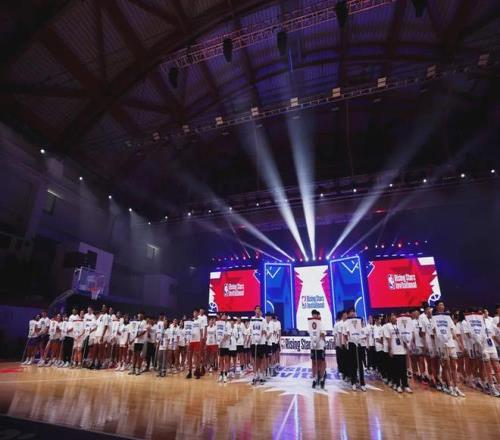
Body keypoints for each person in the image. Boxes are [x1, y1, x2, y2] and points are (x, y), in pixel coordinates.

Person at [432, 300, 465, 396]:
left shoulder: (448, 317)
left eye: (443, 305)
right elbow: (434, 332)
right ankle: (449, 386)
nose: (442, 306)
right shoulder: (434, 318)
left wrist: (459, 343)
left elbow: (452, 331)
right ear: (437, 307)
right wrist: (440, 343)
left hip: (451, 343)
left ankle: (456, 387)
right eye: (440, 305)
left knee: (454, 366)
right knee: (446, 366)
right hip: (442, 344)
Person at [385, 313, 412, 393]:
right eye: (392, 317)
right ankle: (397, 385)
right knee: (396, 369)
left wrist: (407, 347)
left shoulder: (400, 325)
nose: (394, 318)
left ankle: (405, 385)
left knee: (403, 369)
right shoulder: (388, 326)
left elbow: (405, 336)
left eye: (395, 317)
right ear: (390, 318)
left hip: (402, 349)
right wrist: (390, 349)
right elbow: (388, 339)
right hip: (395, 350)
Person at [344, 312, 366, 391]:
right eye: (351, 313)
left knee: (360, 364)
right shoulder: (347, 323)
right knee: (352, 364)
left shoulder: (359, 322)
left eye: (354, 313)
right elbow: (345, 334)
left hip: (359, 344)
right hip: (351, 344)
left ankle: (362, 383)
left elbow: (363, 335)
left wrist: (359, 338)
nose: (353, 315)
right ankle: (353, 382)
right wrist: (350, 339)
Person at [308, 309, 326, 389]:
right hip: (313, 346)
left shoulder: (321, 324)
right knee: (314, 362)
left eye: (315, 315)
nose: (314, 316)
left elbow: (323, 334)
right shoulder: (310, 324)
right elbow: (310, 333)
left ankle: (321, 379)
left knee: (320, 363)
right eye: (313, 315)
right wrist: (314, 341)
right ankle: (314, 379)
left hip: (320, 346)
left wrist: (318, 340)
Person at [250, 305, 267, 385]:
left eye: (259, 309)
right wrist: (254, 337)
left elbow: (264, 330)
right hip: (254, 342)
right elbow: (250, 329)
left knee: (261, 359)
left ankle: (261, 376)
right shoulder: (252, 319)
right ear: (254, 310)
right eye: (256, 309)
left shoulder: (263, 320)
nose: (258, 310)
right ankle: (255, 375)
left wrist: (259, 336)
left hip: (261, 342)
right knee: (255, 359)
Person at [129, 312, 147, 376]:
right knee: (134, 355)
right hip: (136, 341)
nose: (139, 316)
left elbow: (144, 331)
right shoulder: (136, 322)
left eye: (140, 315)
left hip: (141, 341)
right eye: (138, 316)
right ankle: (133, 369)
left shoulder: (144, 322)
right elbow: (133, 331)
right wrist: (132, 338)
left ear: (142, 316)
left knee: (139, 355)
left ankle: (138, 369)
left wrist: (138, 335)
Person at [187, 309, 202, 379]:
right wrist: (188, 340)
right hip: (191, 341)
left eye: (196, 312)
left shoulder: (200, 321)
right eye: (194, 312)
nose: (195, 314)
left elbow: (201, 331)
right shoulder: (190, 321)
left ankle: (197, 371)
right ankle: (189, 372)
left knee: (197, 357)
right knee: (189, 356)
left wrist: (201, 340)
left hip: (197, 340)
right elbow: (188, 331)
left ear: (198, 313)